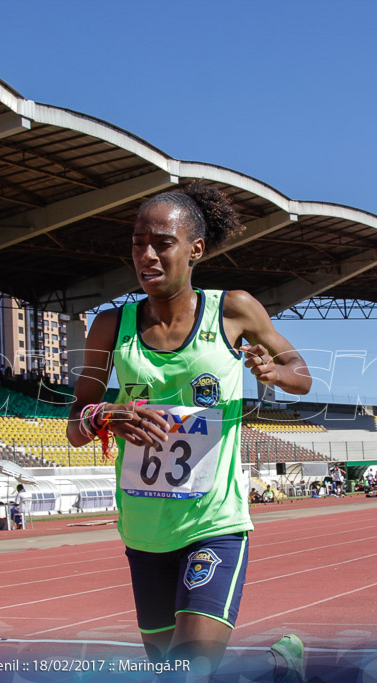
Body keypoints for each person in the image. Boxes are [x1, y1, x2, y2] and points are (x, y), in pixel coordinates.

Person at [66, 183, 311, 680]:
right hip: (143, 532)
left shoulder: (234, 310)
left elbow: (300, 374)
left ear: (195, 250)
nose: (147, 254)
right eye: (138, 243)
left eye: (162, 242)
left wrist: (273, 373)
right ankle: (280, 671)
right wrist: (108, 415)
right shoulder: (111, 327)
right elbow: (75, 422)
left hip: (213, 525)